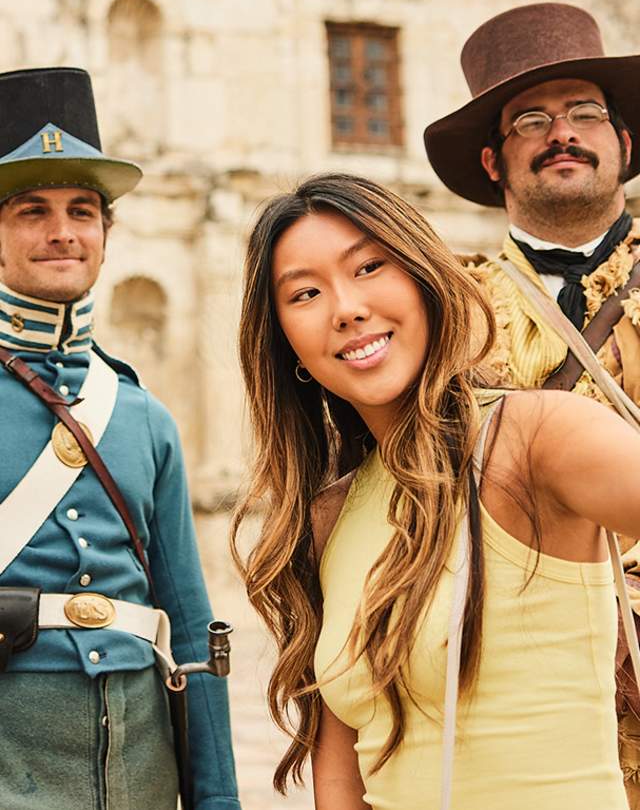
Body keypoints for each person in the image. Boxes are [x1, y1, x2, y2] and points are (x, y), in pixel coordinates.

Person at [232, 170, 640, 810]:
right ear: (287, 347)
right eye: (305, 293)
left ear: (425, 279)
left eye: (368, 267)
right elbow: (342, 771)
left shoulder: (534, 437)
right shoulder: (330, 515)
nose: (346, 308)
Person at [0, 67, 240, 810]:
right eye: (31, 210)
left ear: (107, 234)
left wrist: (216, 798)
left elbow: (193, 632)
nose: (62, 231)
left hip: (141, 761)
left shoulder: (142, 416)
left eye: (83, 210)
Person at [424, 1, 640, 798]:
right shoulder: (446, 310)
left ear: (623, 141)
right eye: (531, 120)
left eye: (586, 113)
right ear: (492, 160)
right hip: (515, 676)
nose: (563, 133)